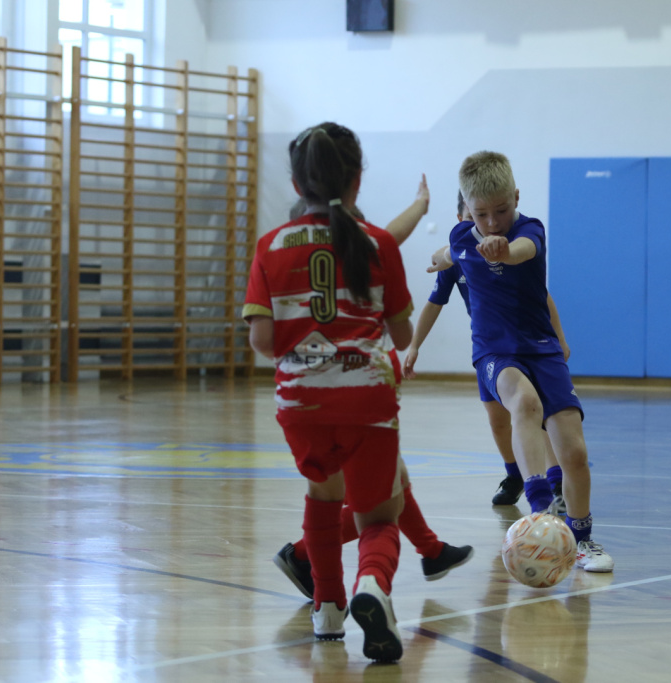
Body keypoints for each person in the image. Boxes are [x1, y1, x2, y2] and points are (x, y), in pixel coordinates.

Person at [243, 122, 412, 661]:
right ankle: (372, 586)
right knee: (379, 515)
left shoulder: (271, 246)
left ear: (297, 184)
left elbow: (262, 342)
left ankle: (327, 607)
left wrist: (310, 348)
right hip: (367, 397)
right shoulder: (380, 243)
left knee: (322, 496)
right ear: (357, 180)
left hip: (302, 403)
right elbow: (402, 335)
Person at [275, 179, 474, 599]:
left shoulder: (310, 253)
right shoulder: (356, 253)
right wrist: (419, 206)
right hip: (353, 394)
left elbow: (390, 235)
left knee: (395, 483)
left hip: (328, 395)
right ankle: (305, 555)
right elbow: (388, 241)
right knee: (382, 502)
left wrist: (420, 206)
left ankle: (431, 551)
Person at [427, 151, 614, 573]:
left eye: (501, 211)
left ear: (516, 197)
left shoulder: (530, 230)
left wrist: (503, 251)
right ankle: (539, 510)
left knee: (574, 452)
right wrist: (440, 257)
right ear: (468, 209)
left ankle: (582, 540)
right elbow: (452, 252)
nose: (492, 222)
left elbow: (521, 252)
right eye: (481, 214)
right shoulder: (462, 236)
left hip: (542, 349)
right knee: (524, 403)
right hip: (495, 353)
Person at [403, 191, 569, 511]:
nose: (487, 228)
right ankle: (514, 474)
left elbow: (544, 297)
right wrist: (414, 345)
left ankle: (555, 481)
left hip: (528, 344)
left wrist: (559, 339)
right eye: (475, 218)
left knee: (533, 411)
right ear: (462, 220)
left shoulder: (512, 248)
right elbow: (434, 303)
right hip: (489, 347)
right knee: (497, 419)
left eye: (495, 215)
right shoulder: (459, 254)